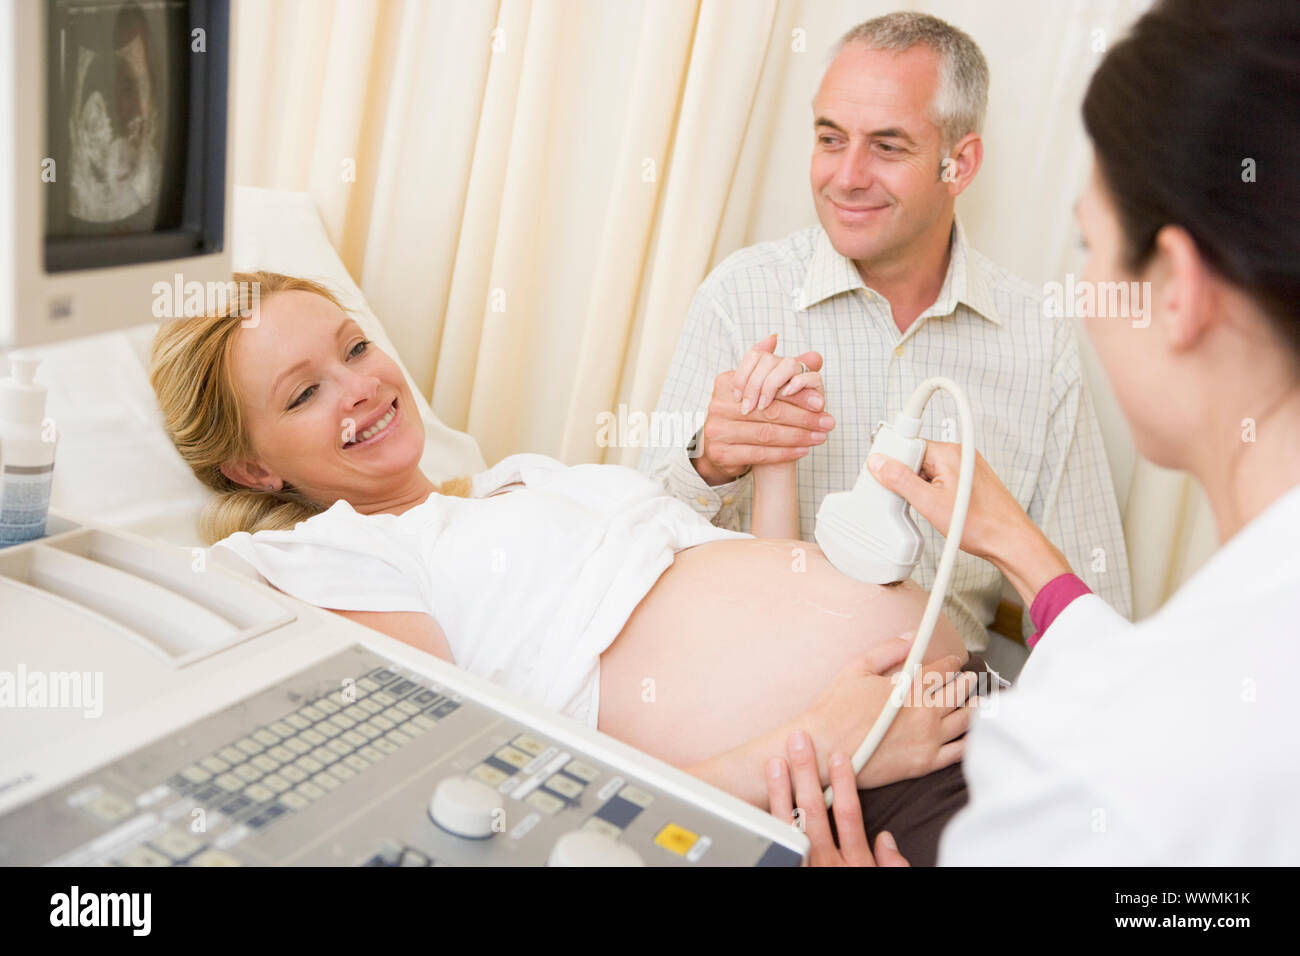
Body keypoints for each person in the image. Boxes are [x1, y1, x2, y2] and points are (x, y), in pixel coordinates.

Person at [148, 271, 982, 833]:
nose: (360, 384)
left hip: (946, 718)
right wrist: (813, 749)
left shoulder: (520, 476)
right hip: (841, 793)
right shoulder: (329, 557)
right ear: (253, 466)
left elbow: (726, 595)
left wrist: (774, 461)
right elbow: (477, 793)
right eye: (304, 392)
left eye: (355, 347)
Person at [768, 0, 1300, 865]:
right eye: (831, 138)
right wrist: (1011, 539)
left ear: (1179, 291)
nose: (1085, 299)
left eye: (1090, 249)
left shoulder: (1073, 778)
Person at [640, 11, 1133, 653]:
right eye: (830, 138)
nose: (847, 176)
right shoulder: (741, 297)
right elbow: (637, 543)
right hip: (752, 685)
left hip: (937, 717)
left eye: (888, 145)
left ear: (959, 164)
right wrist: (708, 463)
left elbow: (1096, 611)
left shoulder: (1039, 342)